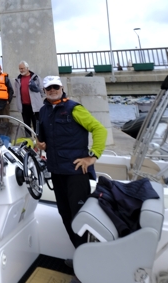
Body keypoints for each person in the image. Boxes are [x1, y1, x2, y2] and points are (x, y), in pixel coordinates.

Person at [36, 75, 107, 253]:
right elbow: (42, 139)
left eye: (55, 87)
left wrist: (92, 157)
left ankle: (89, 258)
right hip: (56, 171)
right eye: (49, 88)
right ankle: (80, 255)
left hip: (75, 173)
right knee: (65, 214)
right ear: (44, 91)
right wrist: (40, 144)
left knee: (79, 216)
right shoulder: (43, 111)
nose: (52, 90)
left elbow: (99, 129)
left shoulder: (74, 109)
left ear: (62, 88)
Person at [14, 61, 44, 130]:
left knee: (37, 126)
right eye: (20, 69)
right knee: (26, 126)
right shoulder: (18, 79)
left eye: (22, 68)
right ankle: (28, 137)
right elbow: (17, 92)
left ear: (27, 68)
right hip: (24, 106)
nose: (21, 70)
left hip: (34, 106)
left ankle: (38, 137)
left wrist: (38, 99)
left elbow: (42, 90)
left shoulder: (35, 77)